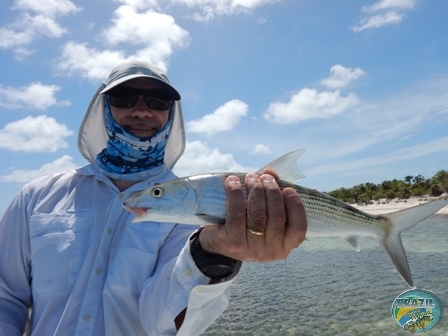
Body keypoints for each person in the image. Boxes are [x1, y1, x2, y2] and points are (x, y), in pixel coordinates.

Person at [0, 60, 307, 336]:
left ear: (170, 113)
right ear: (104, 108)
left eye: (157, 100)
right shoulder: (36, 196)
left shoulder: (193, 209)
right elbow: (6, 295)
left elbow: (162, 323)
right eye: (124, 98)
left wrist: (212, 254)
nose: (142, 110)